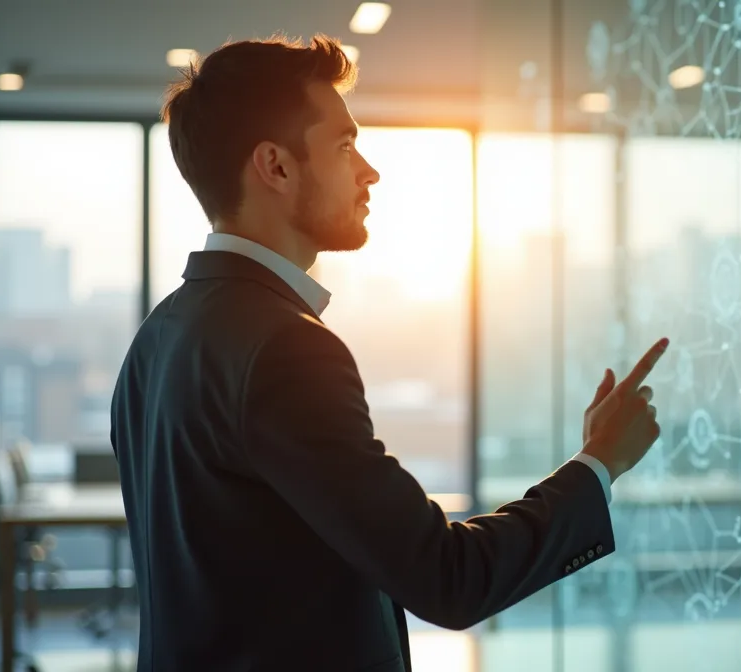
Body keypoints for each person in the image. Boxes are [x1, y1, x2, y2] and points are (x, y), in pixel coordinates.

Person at [110, 34, 667, 672]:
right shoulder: (286, 348)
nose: (368, 170)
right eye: (344, 145)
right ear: (277, 166)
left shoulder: (155, 339)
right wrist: (598, 464)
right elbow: (448, 576)